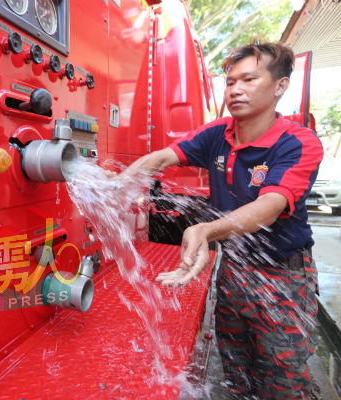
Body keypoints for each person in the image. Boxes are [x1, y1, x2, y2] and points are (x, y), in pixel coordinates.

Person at [121, 42, 323, 399]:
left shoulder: (299, 142)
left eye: (249, 79)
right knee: (235, 372)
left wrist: (207, 230)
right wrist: (117, 185)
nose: (236, 90)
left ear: (280, 86)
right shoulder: (218, 133)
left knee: (284, 380)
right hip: (233, 270)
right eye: (230, 82)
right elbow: (163, 156)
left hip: (284, 277)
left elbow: (270, 206)